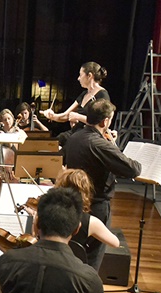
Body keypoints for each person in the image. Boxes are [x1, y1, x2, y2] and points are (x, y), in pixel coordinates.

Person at [62, 99, 141, 270]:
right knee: (91, 260)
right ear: (105, 121)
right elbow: (132, 169)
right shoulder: (100, 144)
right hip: (95, 205)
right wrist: (113, 145)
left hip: (72, 203)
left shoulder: (74, 138)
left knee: (74, 253)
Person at [55, 169, 120, 260]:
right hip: (75, 270)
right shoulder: (91, 222)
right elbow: (115, 243)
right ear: (85, 191)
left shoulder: (47, 213)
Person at [42, 61, 110, 146]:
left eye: (80, 75)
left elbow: (102, 123)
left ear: (89, 76)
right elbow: (66, 115)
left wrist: (78, 117)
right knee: (55, 142)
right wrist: (52, 115)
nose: (78, 78)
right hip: (76, 133)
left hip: (88, 136)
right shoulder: (84, 94)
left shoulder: (102, 95)